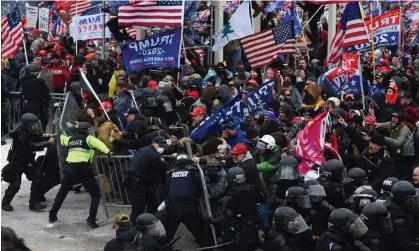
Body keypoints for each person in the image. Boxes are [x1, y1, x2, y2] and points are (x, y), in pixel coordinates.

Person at [49, 122, 111, 228]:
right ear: (86, 130)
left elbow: (63, 139)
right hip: (84, 169)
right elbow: (100, 144)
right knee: (95, 194)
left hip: (70, 169)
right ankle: (91, 219)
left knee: (62, 192)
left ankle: (52, 215)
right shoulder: (89, 139)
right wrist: (109, 152)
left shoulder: (71, 139)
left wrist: (61, 132)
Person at [1, 113, 55, 212]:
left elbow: (38, 139)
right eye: (32, 126)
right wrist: (48, 143)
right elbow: (32, 146)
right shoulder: (19, 135)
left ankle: (33, 203)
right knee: (15, 184)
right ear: (26, 125)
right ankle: (5, 203)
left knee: (37, 178)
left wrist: (50, 137)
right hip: (17, 163)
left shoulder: (28, 132)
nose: (35, 128)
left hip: (28, 161)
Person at [164, 152, 205, 246]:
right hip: (190, 208)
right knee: (201, 234)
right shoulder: (194, 171)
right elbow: (200, 187)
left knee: (166, 235)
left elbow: (167, 188)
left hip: (172, 208)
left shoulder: (169, 173)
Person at [126, 136, 169, 224]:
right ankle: (136, 228)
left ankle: (147, 221)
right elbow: (164, 166)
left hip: (140, 183)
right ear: (154, 143)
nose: (162, 148)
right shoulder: (153, 154)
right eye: (161, 146)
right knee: (138, 209)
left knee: (153, 203)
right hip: (137, 184)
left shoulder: (143, 149)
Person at [221, 167, 260, 251]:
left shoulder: (234, 193)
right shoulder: (252, 189)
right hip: (251, 225)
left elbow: (229, 213)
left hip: (237, 228)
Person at [387, 181, 419, 251]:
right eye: (410, 199)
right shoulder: (398, 219)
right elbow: (402, 243)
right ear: (402, 199)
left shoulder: (393, 205)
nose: (413, 203)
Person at [19, 64, 51, 130]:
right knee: (40, 125)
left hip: (27, 106)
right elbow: (47, 95)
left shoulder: (24, 83)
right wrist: (46, 106)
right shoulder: (41, 82)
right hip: (39, 107)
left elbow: (22, 93)